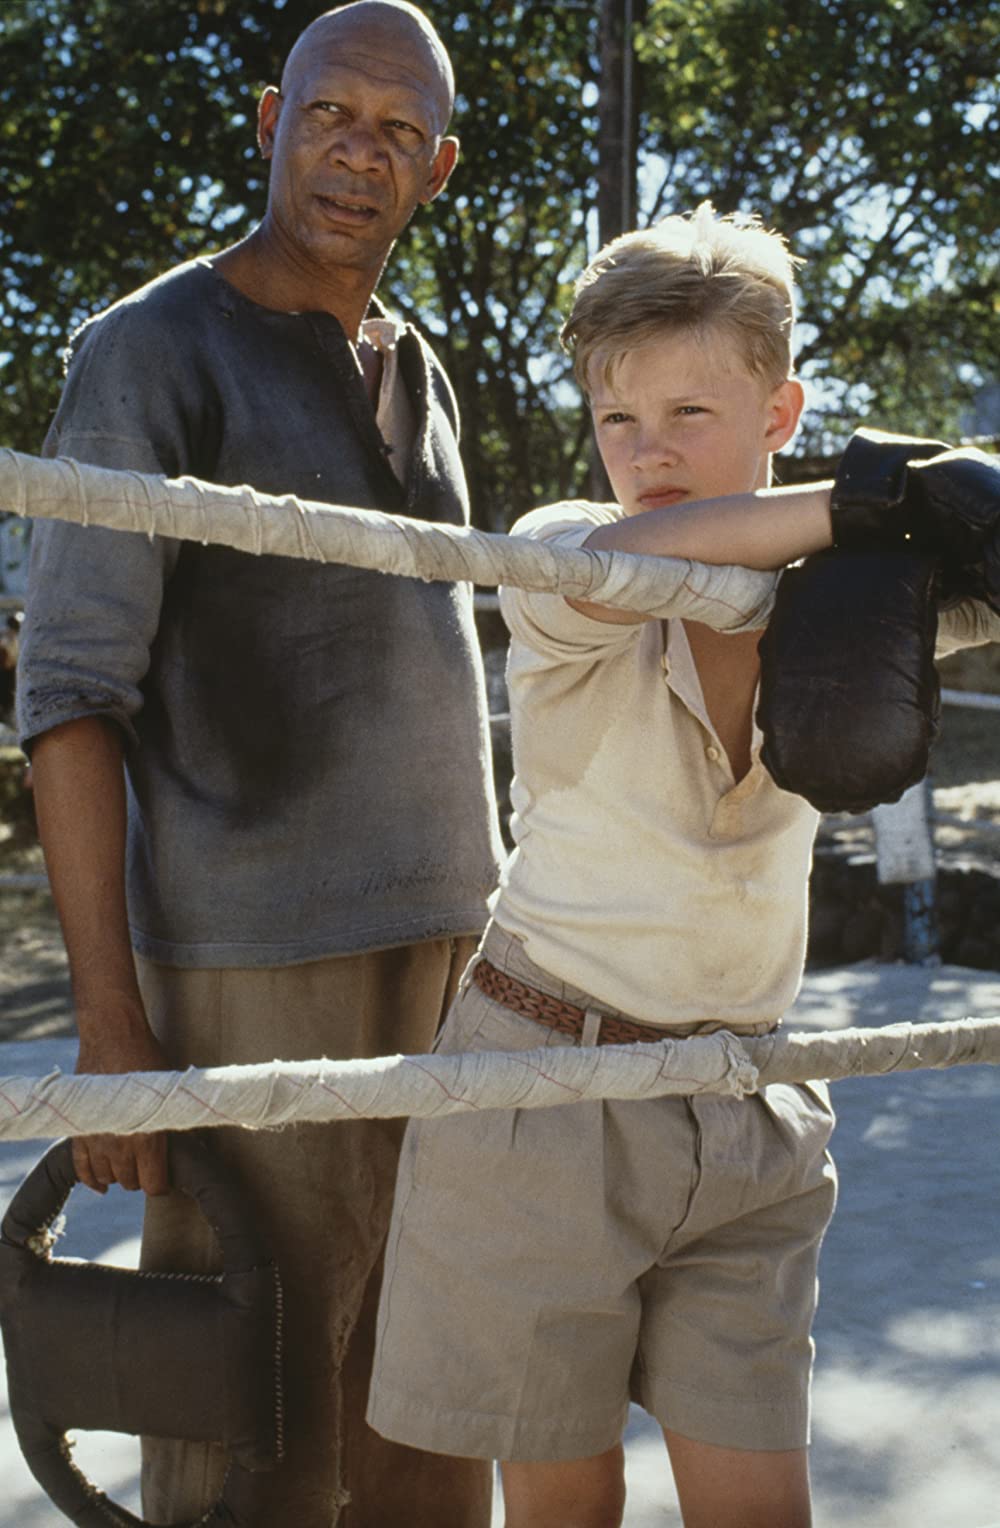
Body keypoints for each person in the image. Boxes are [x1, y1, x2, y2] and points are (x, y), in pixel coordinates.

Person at [366, 205, 998, 1526]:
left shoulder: (842, 592)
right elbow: (613, 561)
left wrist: (955, 514)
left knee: (762, 1506)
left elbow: (971, 602)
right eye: (618, 421)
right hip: (546, 1083)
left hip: (744, 1092)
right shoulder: (560, 547)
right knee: (564, 1508)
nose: (646, 454)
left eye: (689, 416)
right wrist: (860, 500)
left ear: (781, 409)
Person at [17, 4, 501, 1525]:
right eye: (330, 114)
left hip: (458, 956)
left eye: (397, 131)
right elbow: (70, 697)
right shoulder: (149, 352)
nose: (359, 153)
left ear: (440, 166)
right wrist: (110, 1025)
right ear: (268, 120)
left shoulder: (419, 365)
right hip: (249, 967)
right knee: (253, 1411)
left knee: (437, 1391)